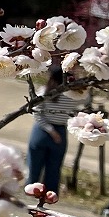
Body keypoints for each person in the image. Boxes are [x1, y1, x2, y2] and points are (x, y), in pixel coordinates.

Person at [27, 66, 83, 197]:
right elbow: (84, 100)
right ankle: (50, 194)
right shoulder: (72, 96)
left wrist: (50, 130)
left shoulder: (44, 92)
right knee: (54, 166)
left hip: (40, 131)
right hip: (60, 131)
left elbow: (37, 114)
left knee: (34, 164)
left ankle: (31, 190)